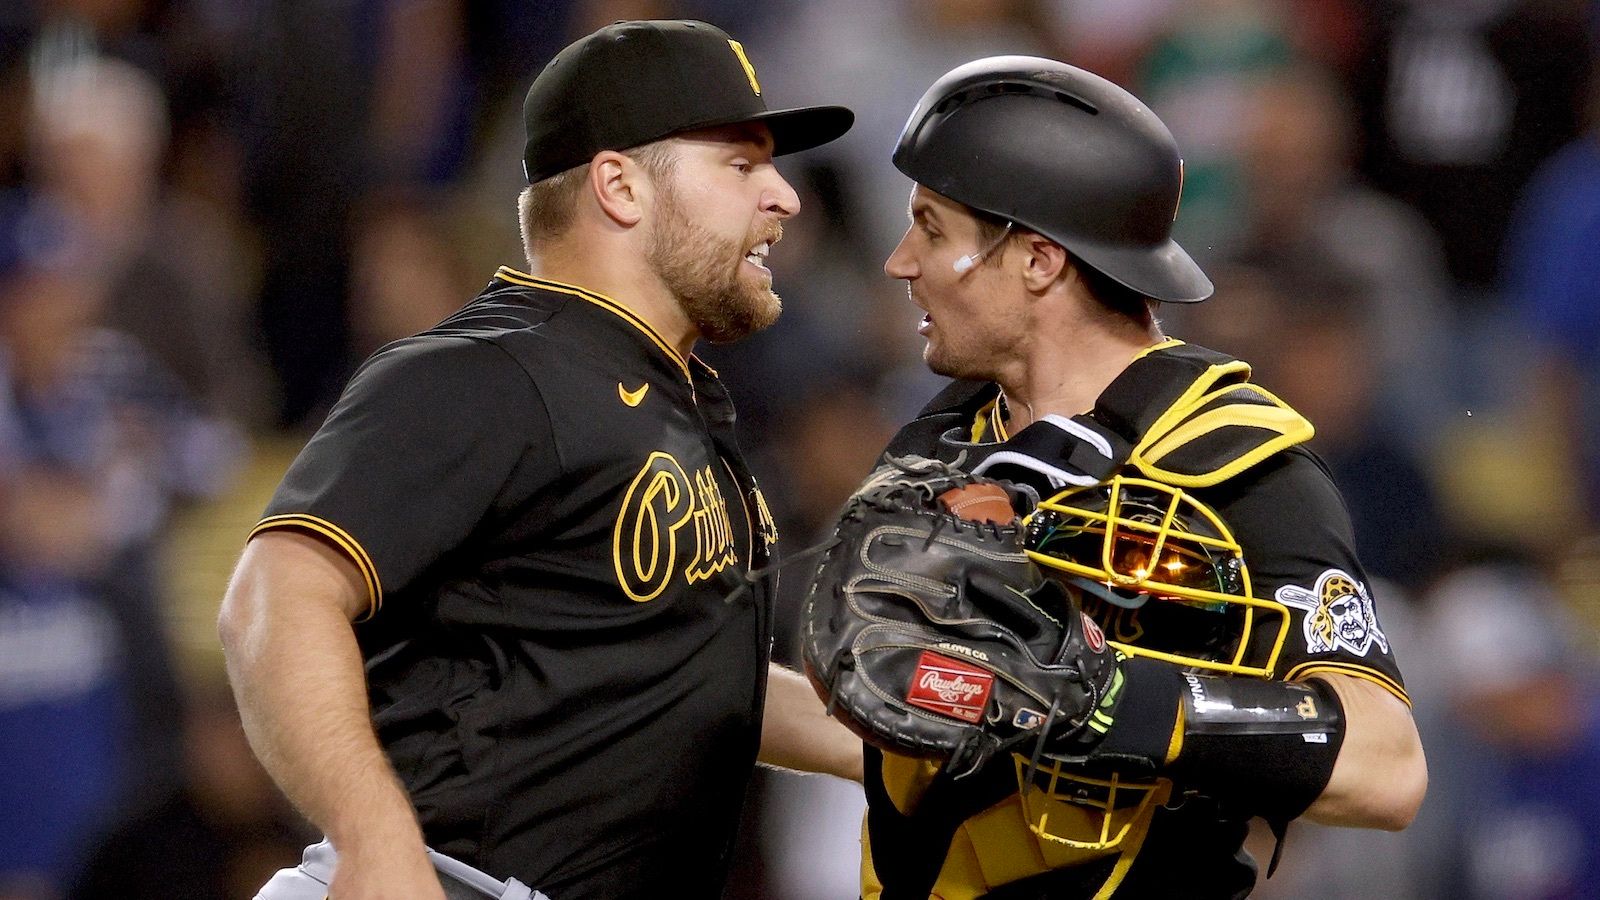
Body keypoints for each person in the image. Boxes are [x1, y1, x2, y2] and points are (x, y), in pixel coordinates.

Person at [217, 20, 860, 900]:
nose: (784, 197)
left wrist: (898, 743)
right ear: (620, 186)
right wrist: (376, 846)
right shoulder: (490, 368)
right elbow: (275, 595)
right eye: (741, 165)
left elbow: (685, 679)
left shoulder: (673, 399)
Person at [855, 56, 1427, 898]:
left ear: (1040, 260)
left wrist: (1116, 698)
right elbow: (926, 724)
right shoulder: (941, 440)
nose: (901, 262)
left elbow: (1387, 766)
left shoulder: (1231, 457)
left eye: (932, 230)